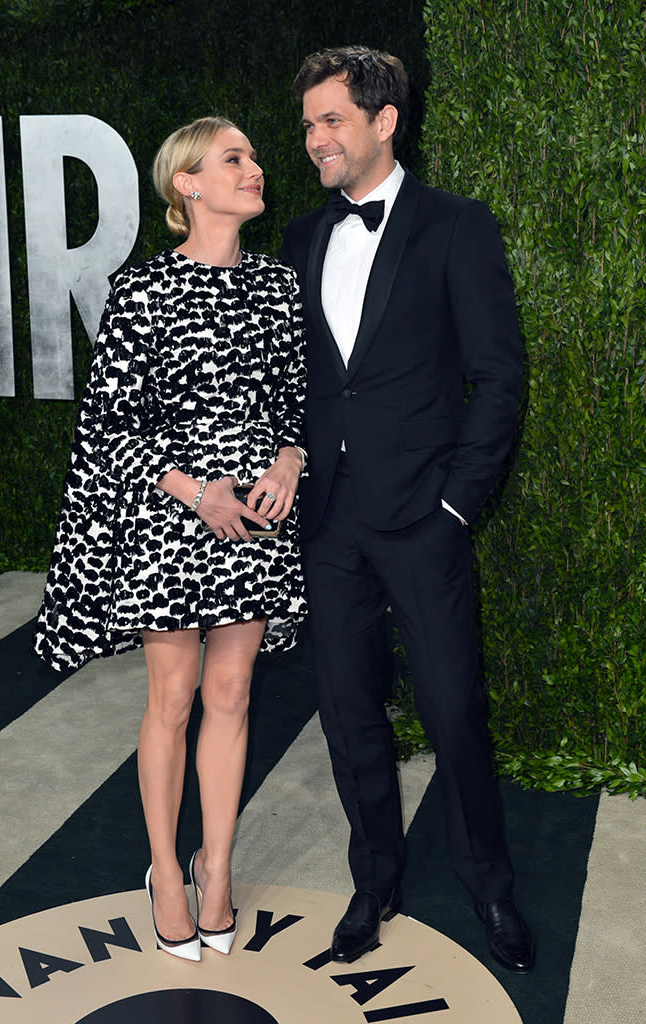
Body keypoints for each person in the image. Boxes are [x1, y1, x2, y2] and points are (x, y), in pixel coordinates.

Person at [282, 46, 534, 973]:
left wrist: (457, 505)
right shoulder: (303, 238)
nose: (314, 140)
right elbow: (306, 384)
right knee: (348, 711)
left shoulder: (457, 227)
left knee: (453, 707)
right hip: (328, 521)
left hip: (422, 518)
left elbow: (496, 377)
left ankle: (489, 885)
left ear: (384, 121)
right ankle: (374, 877)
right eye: (308, 123)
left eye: (331, 120)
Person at [33, 117, 307, 961]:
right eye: (235, 159)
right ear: (186, 184)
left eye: (253, 157)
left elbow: (298, 404)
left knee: (233, 698)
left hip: (257, 519)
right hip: (172, 522)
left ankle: (214, 870)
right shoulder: (143, 290)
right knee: (175, 699)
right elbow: (109, 425)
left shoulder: (278, 287)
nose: (255, 168)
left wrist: (291, 459)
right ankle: (163, 868)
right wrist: (193, 489)